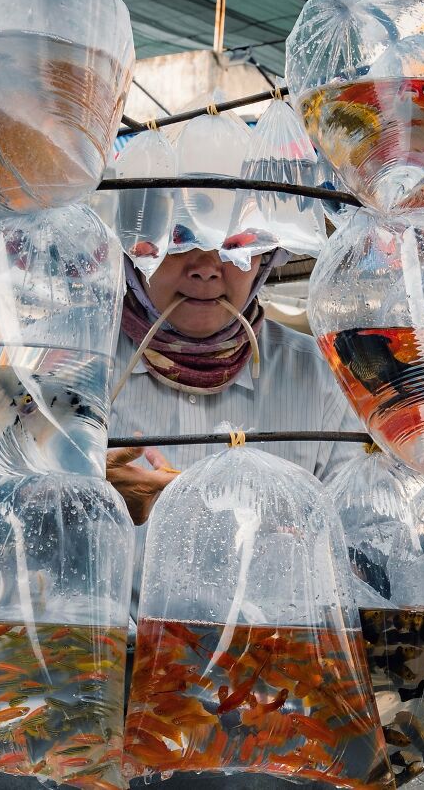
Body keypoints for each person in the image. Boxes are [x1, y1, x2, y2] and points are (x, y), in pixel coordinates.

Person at [108, 245, 365, 789]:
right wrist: (87, 493)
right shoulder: (79, 375)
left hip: (278, 702)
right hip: (109, 695)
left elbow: (359, 543)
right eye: (175, 243)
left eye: (237, 249)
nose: (205, 267)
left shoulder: (320, 376)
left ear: (267, 259)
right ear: (131, 256)